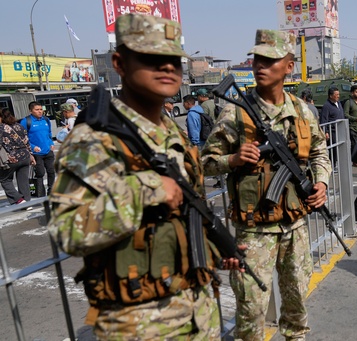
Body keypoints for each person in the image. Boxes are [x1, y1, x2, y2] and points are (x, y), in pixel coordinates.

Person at [47, 13, 243, 340]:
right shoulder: (94, 139)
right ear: (119, 63)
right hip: (139, 323)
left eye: (174, 60)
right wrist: (145, 189)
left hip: (198, 311)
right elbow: (67, 230)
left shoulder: (174, 134)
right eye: (152, 58)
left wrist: (217, 248)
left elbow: (185, 215)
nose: (167, 67)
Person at [202, 29, 331, 341]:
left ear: (288, 66)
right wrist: (231, 160)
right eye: (257, 59)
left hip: (296, 224)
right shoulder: (236, 112)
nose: (260, 66)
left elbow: (319, 151)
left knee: (298, 297)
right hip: (254, 227)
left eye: (270, 60)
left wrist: (323, 182)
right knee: (251, 306)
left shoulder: (301, 109)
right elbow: (204, 163)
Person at [0, 108, 36, 205]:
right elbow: (27, 141)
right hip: (25, 156)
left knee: (5, 179)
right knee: (23, 180)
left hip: (11, 158)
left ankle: (18, 200)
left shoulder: (1, 127)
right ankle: (27, 202)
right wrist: (31, 155)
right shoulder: (19, 126)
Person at [19, 101, 55, 196]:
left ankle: (51, 191)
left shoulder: (46, 120)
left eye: (41, 109)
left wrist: (51, 143)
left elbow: (49, 133)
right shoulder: (26, 121)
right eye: (37, 110)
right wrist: (33, 147)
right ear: (31, 111)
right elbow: (22, 138)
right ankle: (40, 193)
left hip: (48, 151)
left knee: (51, 171)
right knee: (40, 173)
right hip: (37, 153)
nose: (40, 111)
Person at [320, 87, 345, 170]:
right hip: (332, 131)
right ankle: (332, 165)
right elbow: (324, 120)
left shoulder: (339, 103)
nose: (338, 96)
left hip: (340, 130)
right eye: (336, 94)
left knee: (340, 148)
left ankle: (337, 163)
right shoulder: (326, 106)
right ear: (331, 96)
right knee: (333, 149)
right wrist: (326, 132)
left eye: (338, 94)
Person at [343, 84, 357, 166]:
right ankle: (355, 161)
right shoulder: (349, 102)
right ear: (352, 93)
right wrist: (355, 119)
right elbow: (345, 114)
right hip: (352, 128)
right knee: (354, 145)